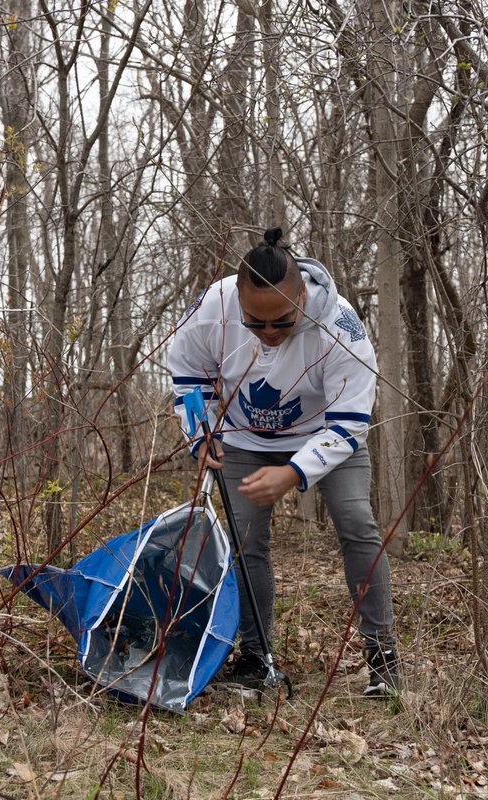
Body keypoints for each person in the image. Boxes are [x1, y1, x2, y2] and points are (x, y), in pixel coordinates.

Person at [167, 227, 399, 697]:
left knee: (356, 523)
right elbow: (188, 372)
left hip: (324, 433)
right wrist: (201, 434)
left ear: (302, 298)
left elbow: (352, 420)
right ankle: (256, 657)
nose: (269, 333)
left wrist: (295, 472)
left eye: (282, 322)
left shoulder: (341, 327)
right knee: (246, 540)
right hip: (242, 437)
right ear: (237, 300)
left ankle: (383, 658)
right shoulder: (213, 307)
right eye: (256, 322)